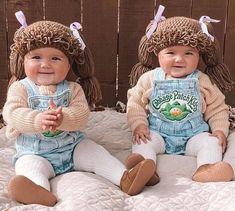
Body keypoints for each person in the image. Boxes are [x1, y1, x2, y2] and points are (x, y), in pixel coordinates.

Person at [3, 11, 155, 206]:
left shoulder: (73, 89)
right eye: (37, 57)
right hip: (35, 152)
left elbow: (82, 115)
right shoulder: (21, 88)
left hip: (72, 147)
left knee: (96, 153)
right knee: (28, 166)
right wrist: (37, 119)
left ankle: (125, 178)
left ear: (68, 65)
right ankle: (38, 191)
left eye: (56, 58)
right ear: (23, 61)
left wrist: (63, 118)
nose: (45, 64)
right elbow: (12, 113)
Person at [126, 6, 234, 185]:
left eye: (188, 53)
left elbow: (217, 108)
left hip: (193, 136)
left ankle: (208, 168)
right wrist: (139, 125)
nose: (179, 59)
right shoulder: (150, 78)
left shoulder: (202, 80)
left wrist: (219, 131)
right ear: (158, 54)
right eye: (171, 53)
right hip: (158, 133)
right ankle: (144, 168)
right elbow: (135, 103)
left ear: (198, 56)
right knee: (142, 141)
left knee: (211, 143)